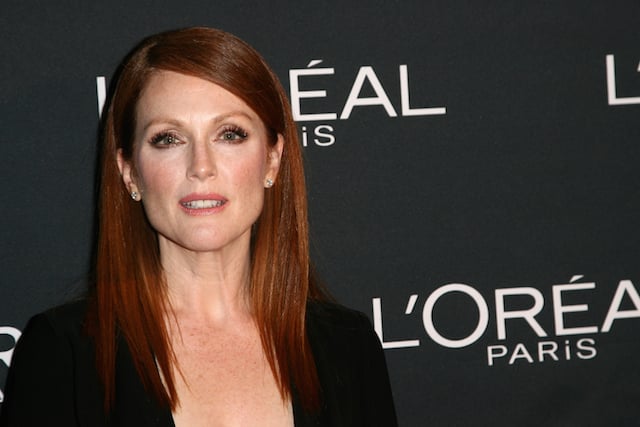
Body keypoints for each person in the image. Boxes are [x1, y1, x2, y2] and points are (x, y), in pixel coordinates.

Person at [0, 27, 397, 426]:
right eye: (168, 139)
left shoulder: (349, 347)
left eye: (230, 134)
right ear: (129, 172)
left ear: (272, 160)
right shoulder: (66, 354)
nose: (201, 167)